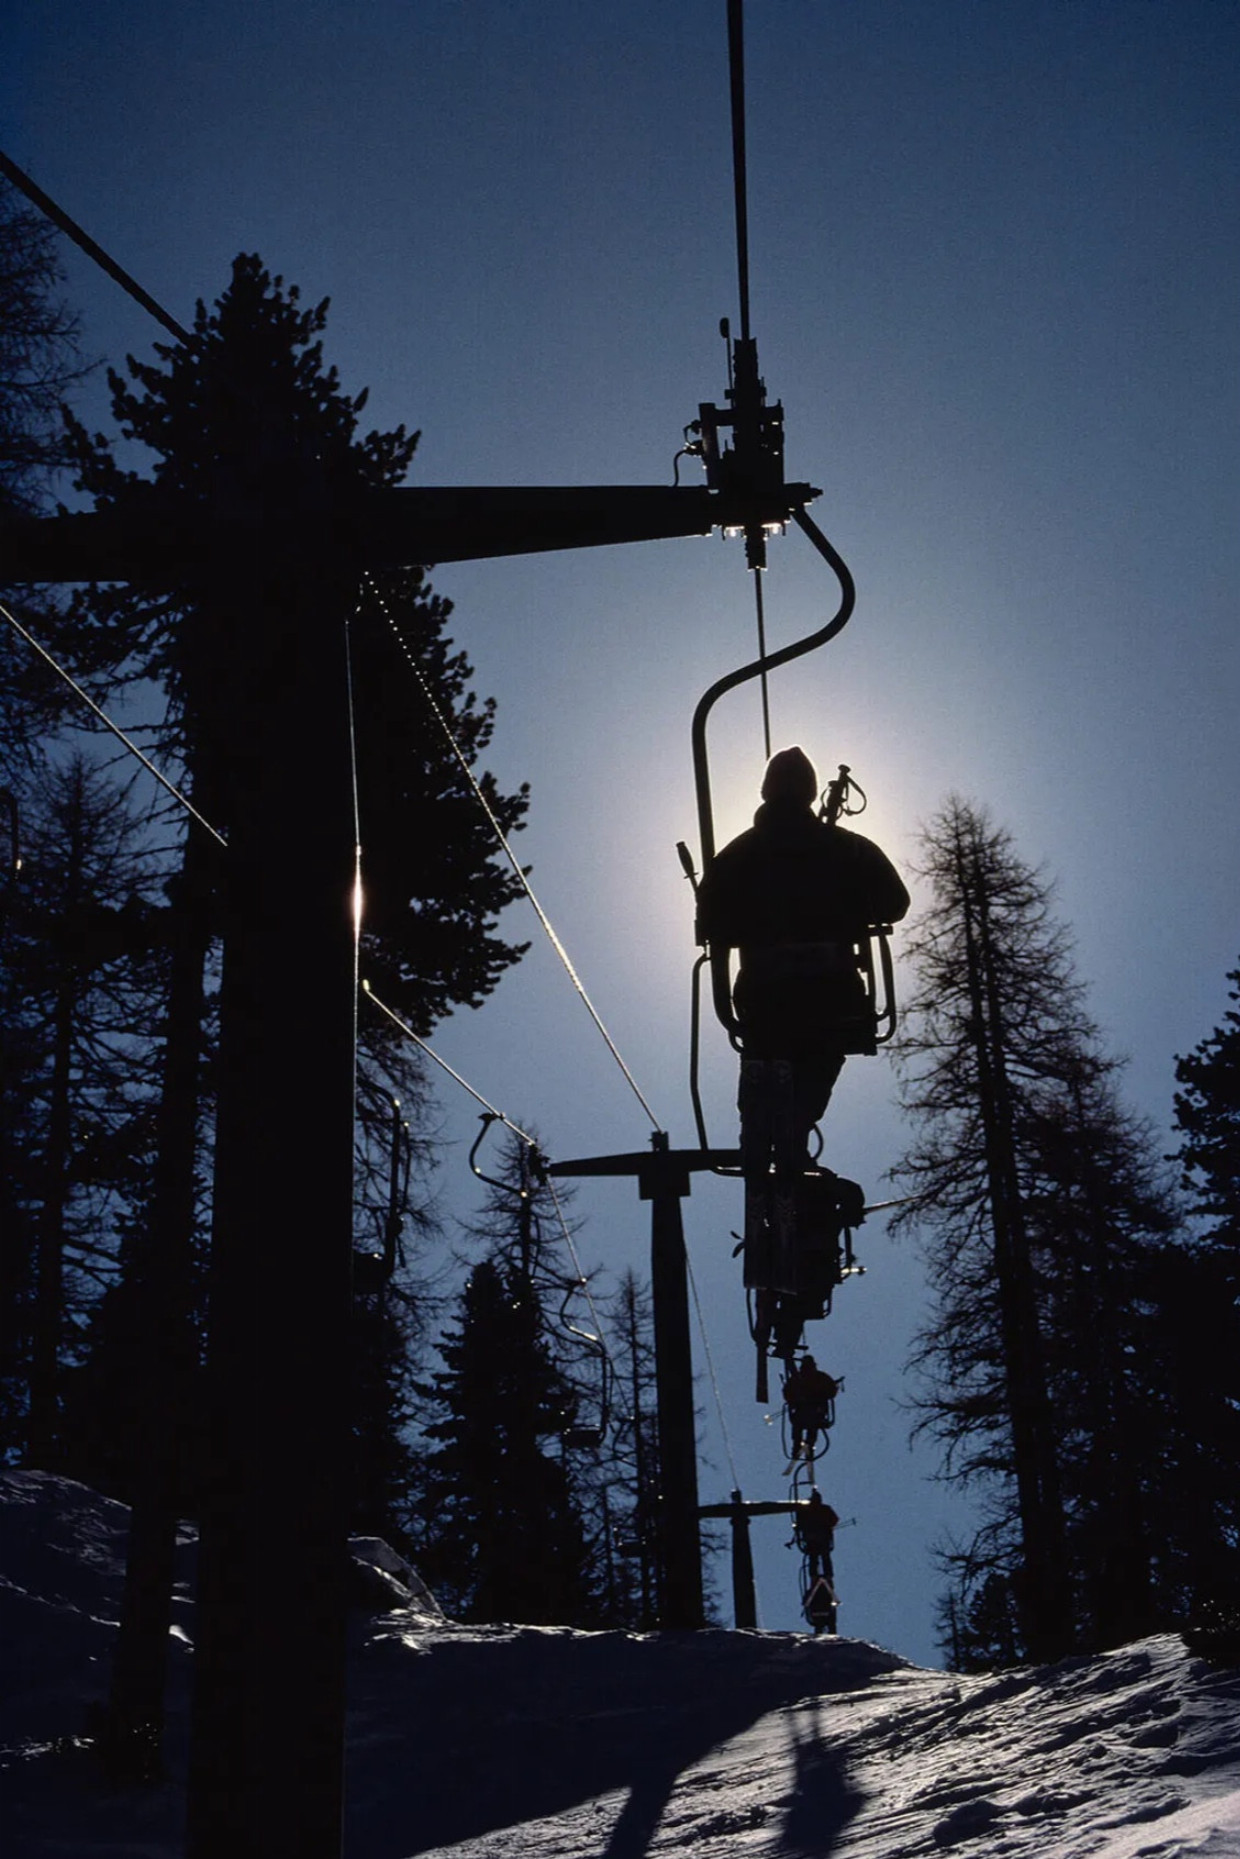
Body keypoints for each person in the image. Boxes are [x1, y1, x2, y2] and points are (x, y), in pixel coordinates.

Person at [696, 745, 910, 1172]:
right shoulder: (848, 848)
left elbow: (711, 921)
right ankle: (794, 1128)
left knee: (764, 1049)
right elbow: (895, 903)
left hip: (764, 992)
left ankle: (759, 1123)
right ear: (811, 794)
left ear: (765, 792)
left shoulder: (738, 855)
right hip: (832, 993)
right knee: (817, 1057)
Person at [782, 1354, 840, 1460]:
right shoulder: (819, 1377)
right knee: (808, 1428)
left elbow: (787, 1392)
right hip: (811, 1411)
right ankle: (804, 1449)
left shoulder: (805, 1378)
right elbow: (831, 1391)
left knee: (803, 1428)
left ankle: (800, 1448)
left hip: (809, 1411)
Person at [795, 1488, 840, 1585]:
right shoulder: (824, 1509)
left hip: (814, 1538)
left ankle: (815, 1577)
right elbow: (835, 1520)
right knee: (822, 1557)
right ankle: (826, 1576)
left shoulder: (806, 1511)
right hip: (821, 1538)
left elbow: (799, 1524)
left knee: (815, 1557)